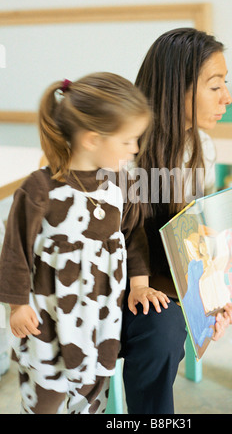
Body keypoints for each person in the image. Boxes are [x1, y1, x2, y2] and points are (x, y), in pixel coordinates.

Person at [0, 72, 168, 414]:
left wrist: (139, 284)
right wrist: (17, 307)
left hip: (100, 317)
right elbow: (14, 250)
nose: (135, 149)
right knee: (45, 399)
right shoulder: (41, 189)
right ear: (92, 139)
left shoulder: (123, 183)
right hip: (47, 319)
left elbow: (132, 236)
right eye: (128, 141)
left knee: (91, 396)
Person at [120, 28, 232, 415]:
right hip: (128, 275)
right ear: (178, 89)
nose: (227, 97)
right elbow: (118, 239)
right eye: (215, 86)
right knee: (162, 331)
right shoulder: (125, 150)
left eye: (225, 84)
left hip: (172, 269)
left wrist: (216, 292)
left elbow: (194, 229)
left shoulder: (202, 147)